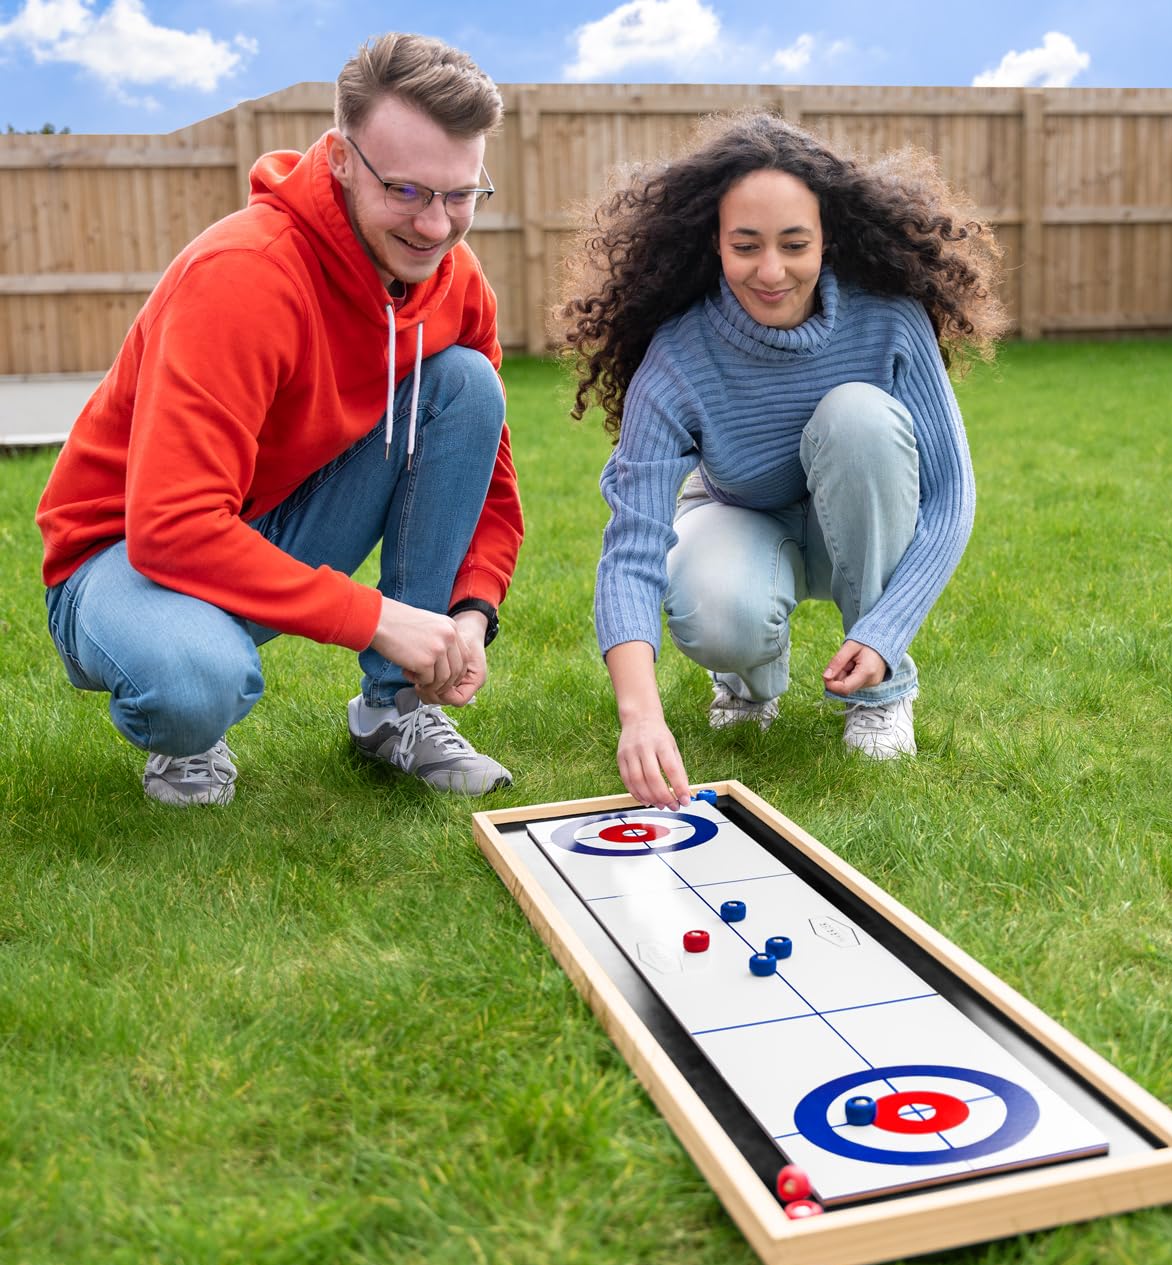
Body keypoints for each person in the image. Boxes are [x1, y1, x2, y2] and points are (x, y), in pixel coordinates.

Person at [36, 33, 523, 805]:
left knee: (466, 383)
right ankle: (186, 728)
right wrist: (376, 618)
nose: (435, 226)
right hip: (120, 553)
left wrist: (468, 612)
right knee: (195, 683)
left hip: (271, 519)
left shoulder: (454, 282)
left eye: (459, 195)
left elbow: (492, 483)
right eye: (405, 190)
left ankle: (395, 711)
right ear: (338, 159)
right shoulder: (245, 277)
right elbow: (171, 525)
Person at [561, 113, 1006, 810]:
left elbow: (950, 496)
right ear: (714, 244)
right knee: (715, 610)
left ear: (829, 237)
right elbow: (633, 547)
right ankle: (748, 682)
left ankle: (880, 695)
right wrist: (639, 715)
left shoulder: (888, 317)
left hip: (860, 522)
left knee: (857, 416)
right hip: (739, 516)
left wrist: (886, 634)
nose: (771, 271)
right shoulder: (679, 355)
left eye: (795, 244)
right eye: (746, 246)